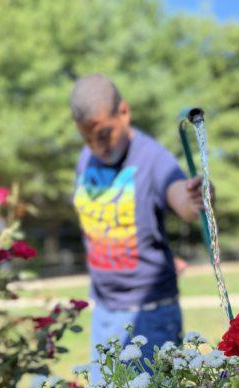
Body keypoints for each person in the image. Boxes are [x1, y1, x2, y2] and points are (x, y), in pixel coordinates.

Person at [69, 73, 203, 372]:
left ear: (124, 112)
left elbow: (181, 198)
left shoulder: (153, 158)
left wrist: (195, 198)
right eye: (87, 138)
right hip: (104, 311)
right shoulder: (85, 159)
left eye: (103, 134)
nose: (96, 146)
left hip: (150, 317)